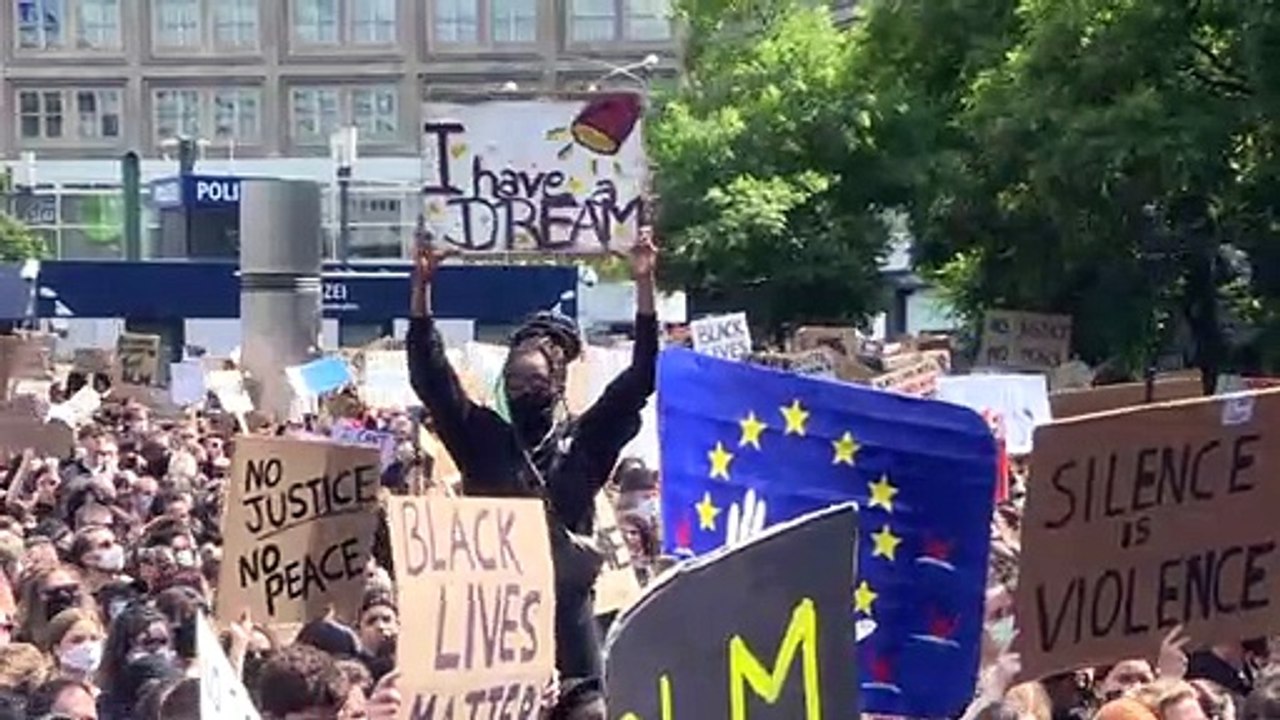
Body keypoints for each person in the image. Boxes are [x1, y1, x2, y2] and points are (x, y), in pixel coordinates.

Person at [407, 229, 659, 716]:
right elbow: (431, 377)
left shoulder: (585, 443)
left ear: (558, 383)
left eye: (535, 380)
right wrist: (421, 291)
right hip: (495, 631)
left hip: (570, 629)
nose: (524, 389)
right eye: (515, 380)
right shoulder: (482, 439)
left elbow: (640, 377)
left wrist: (644, 284)